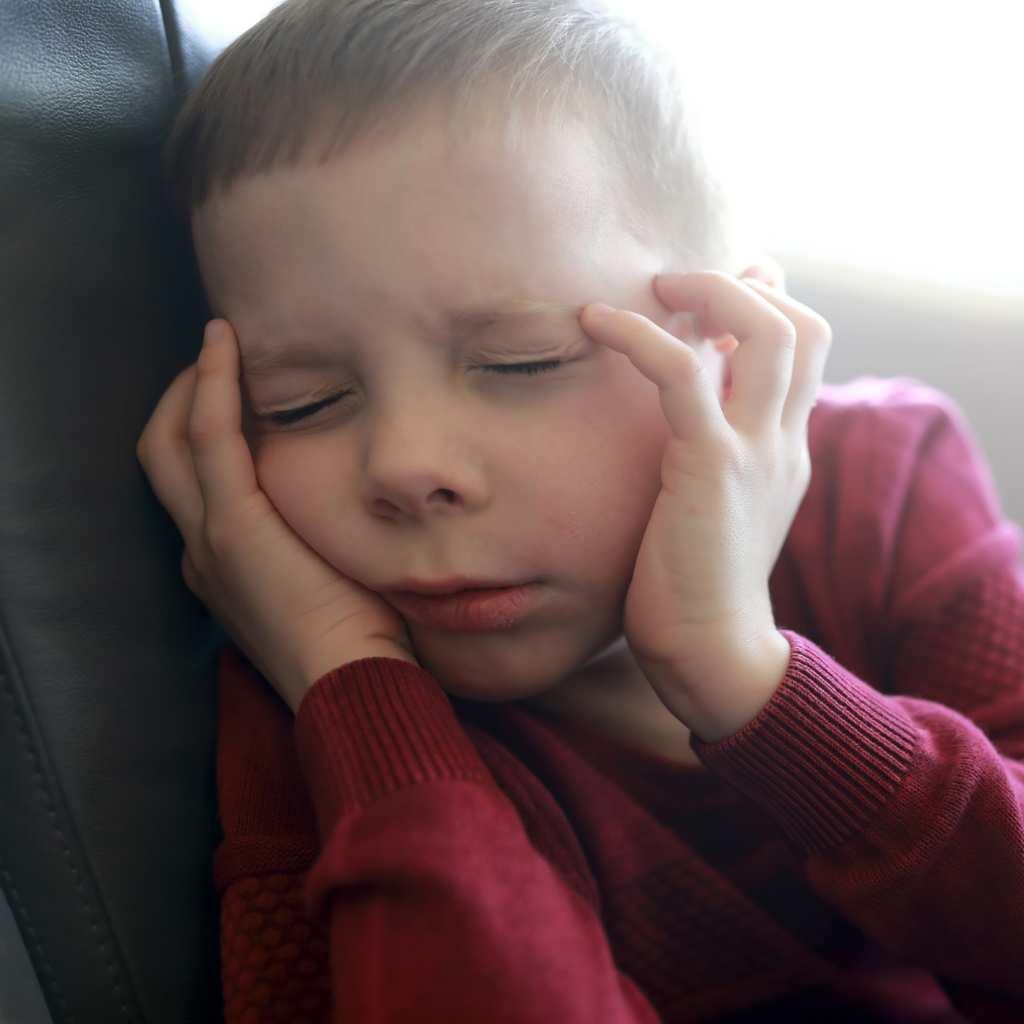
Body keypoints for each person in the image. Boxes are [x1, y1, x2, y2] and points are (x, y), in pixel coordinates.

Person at [137, 0, 1024, 1020]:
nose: (407, 465)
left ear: (730, 346)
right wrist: (358, 687)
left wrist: (747, 678)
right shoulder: (314, 693)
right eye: (302, 402)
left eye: (522, 361)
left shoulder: (885, 486)